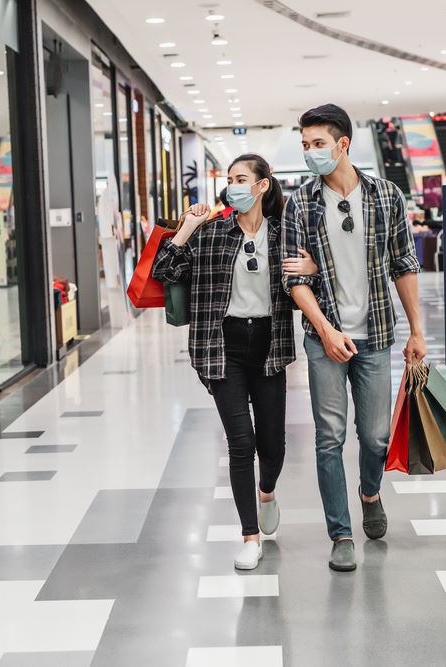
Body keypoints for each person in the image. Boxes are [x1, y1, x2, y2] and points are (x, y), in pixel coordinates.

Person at [153, 154, 317, 570]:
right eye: (229, 180)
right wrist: (188, 226)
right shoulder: (211, 234)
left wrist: (312, 268)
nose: (232, 186)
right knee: (240, 444)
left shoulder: (283, 234)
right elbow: (165, 269)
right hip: (221, 347)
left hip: (270, 346)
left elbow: (313, 280)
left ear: (262, 186)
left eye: (241, 179)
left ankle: (267, 492)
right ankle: (250, 535)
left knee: (273, 446)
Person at [283, 103, 424, 573]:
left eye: (318, 144)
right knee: (329, 438)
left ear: (343, 145)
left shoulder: (385, 196)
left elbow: (404, 264)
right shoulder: (300, 203)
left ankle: (370, 492)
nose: (310, 153)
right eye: (304, 146)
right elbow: (292, 279)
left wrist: (417, 331)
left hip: (377, 335)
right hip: (324, 339)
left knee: (376, 437)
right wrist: (325, 329)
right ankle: (340, 533)